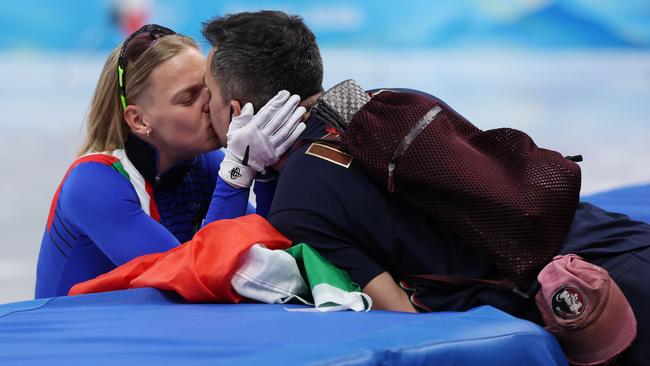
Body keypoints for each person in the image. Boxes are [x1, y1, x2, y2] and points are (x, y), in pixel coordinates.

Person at [201, 11, 650, 364]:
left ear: (237, 110)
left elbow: (403, 317)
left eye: (208, 93)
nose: (205, 107)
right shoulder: (393, 101)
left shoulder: (299, 205)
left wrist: (246, 174)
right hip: (619, 242)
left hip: (594, 305)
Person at [35, 24, 306, 298]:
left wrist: (267, 171)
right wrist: (239, 170)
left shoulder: (205, 163)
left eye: (209, 88)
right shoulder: (94, 184)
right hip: (74, 337)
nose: (209, 104)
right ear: (140, 120)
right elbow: (192, 278)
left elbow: (271, 248)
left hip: (137, 328)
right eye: (188, 98)